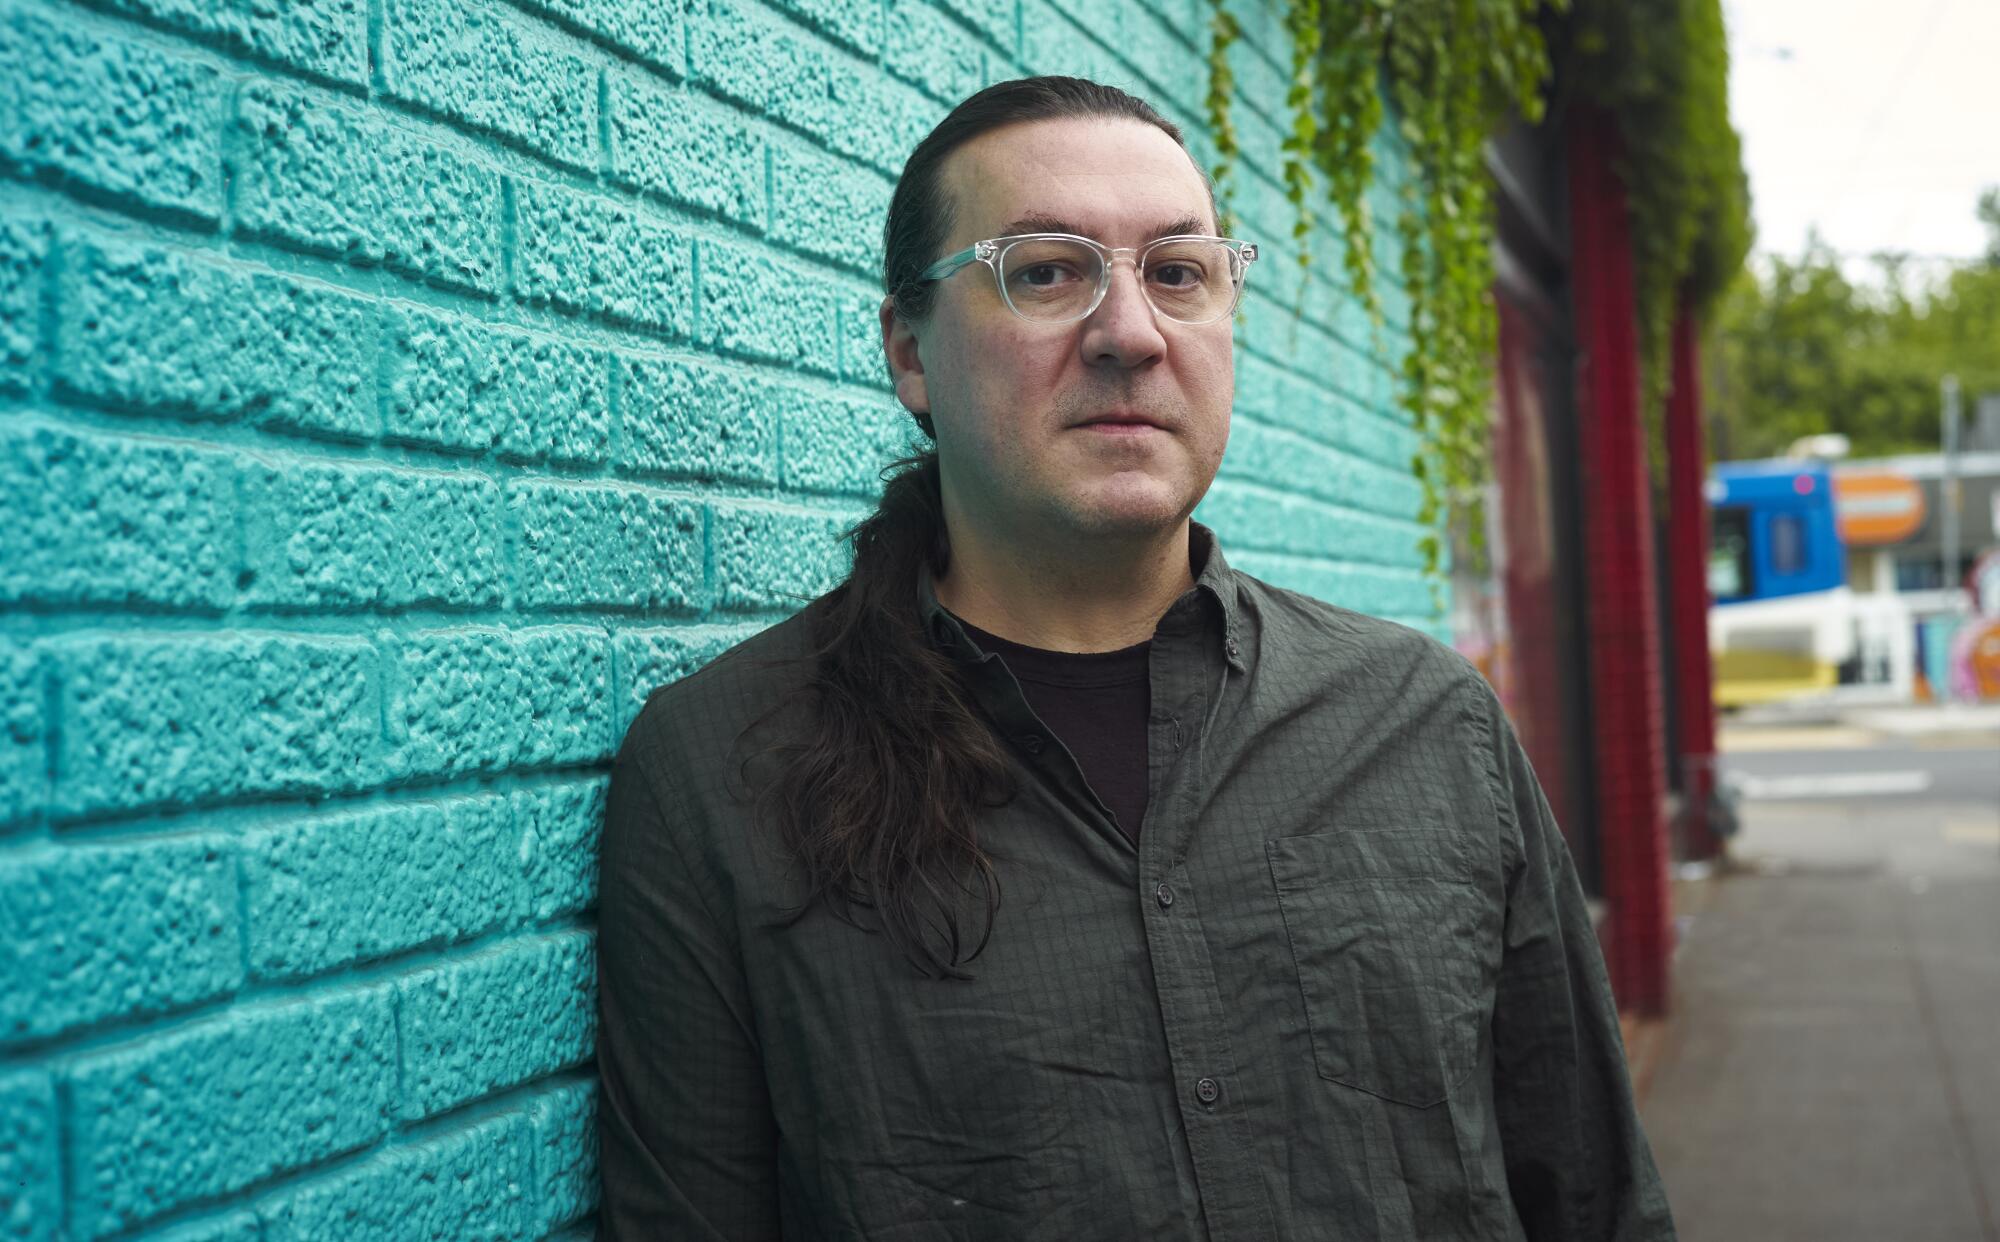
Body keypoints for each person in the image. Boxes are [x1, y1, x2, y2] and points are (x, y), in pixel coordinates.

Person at [595, 75, 1676, 1240]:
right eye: (1046, 271)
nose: (1127, 332)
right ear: (909, 352)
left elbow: (1595, 1201)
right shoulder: (725, 772)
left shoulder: (1427, 723)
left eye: (1177, 272)